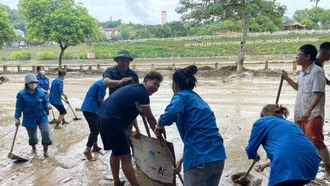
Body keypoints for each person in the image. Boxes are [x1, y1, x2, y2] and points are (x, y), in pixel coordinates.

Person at [156, 65, 226, 186]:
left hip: (199, 161)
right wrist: (181, 161)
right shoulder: (199, 100)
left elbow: (170, 113)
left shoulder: (180, 96)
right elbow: (200, 136)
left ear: (175, 84)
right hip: (218, 156)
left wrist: (160, 125)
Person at [98, 71, 163, 186]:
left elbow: (134, 114)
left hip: (102, 118)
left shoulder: (134, 89)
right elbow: (151, 119)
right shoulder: (142, 93)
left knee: (116, 152)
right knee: (126, 156)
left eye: (158, 86)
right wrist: (159, 137)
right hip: (113, 120)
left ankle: (117, 181)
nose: (156, 88)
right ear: (146, 81)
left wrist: (138, 130)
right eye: (155, 83)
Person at [282, 44, 330, 175]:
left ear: (308, 57)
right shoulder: (303, 72)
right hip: (301, 112)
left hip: (312, 113)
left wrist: (308, 110)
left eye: (299, 55)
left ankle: (328, 169)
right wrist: (287, 79)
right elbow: (298, 88)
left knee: (316, 141)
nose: (296, 57)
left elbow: (319, 93)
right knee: (303, 141)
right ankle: (306, 165)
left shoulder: (317, 71)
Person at [245, 104, 321, 186]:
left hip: (289, 163)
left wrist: (254, 157)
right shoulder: (292, 124)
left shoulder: (261, 122)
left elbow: (250, 149)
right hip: (312, 163)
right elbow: (291, 150)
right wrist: (265, 164)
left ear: (262, 115)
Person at [14, 73, 53, 157]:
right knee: (32, 137)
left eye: (35, 82)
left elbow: (45, 101)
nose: (33, 84)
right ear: (27, 84)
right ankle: (34, 147)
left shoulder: (41, 93)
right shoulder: (21, 94)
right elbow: (19, 107)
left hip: (41, 116)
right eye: (31, 82)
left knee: (46, 133)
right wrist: (17, 118)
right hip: (29, 118)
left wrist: (48, 105)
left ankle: (45, 151)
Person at [80, 79, 106, 161]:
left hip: (89, 108)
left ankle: (95, 146)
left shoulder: (100, 82)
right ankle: (87, 150)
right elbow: (100, 99)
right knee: (95, 130)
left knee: (95, 127)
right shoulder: (103, 84)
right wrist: (107, 107)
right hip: (91, 109)